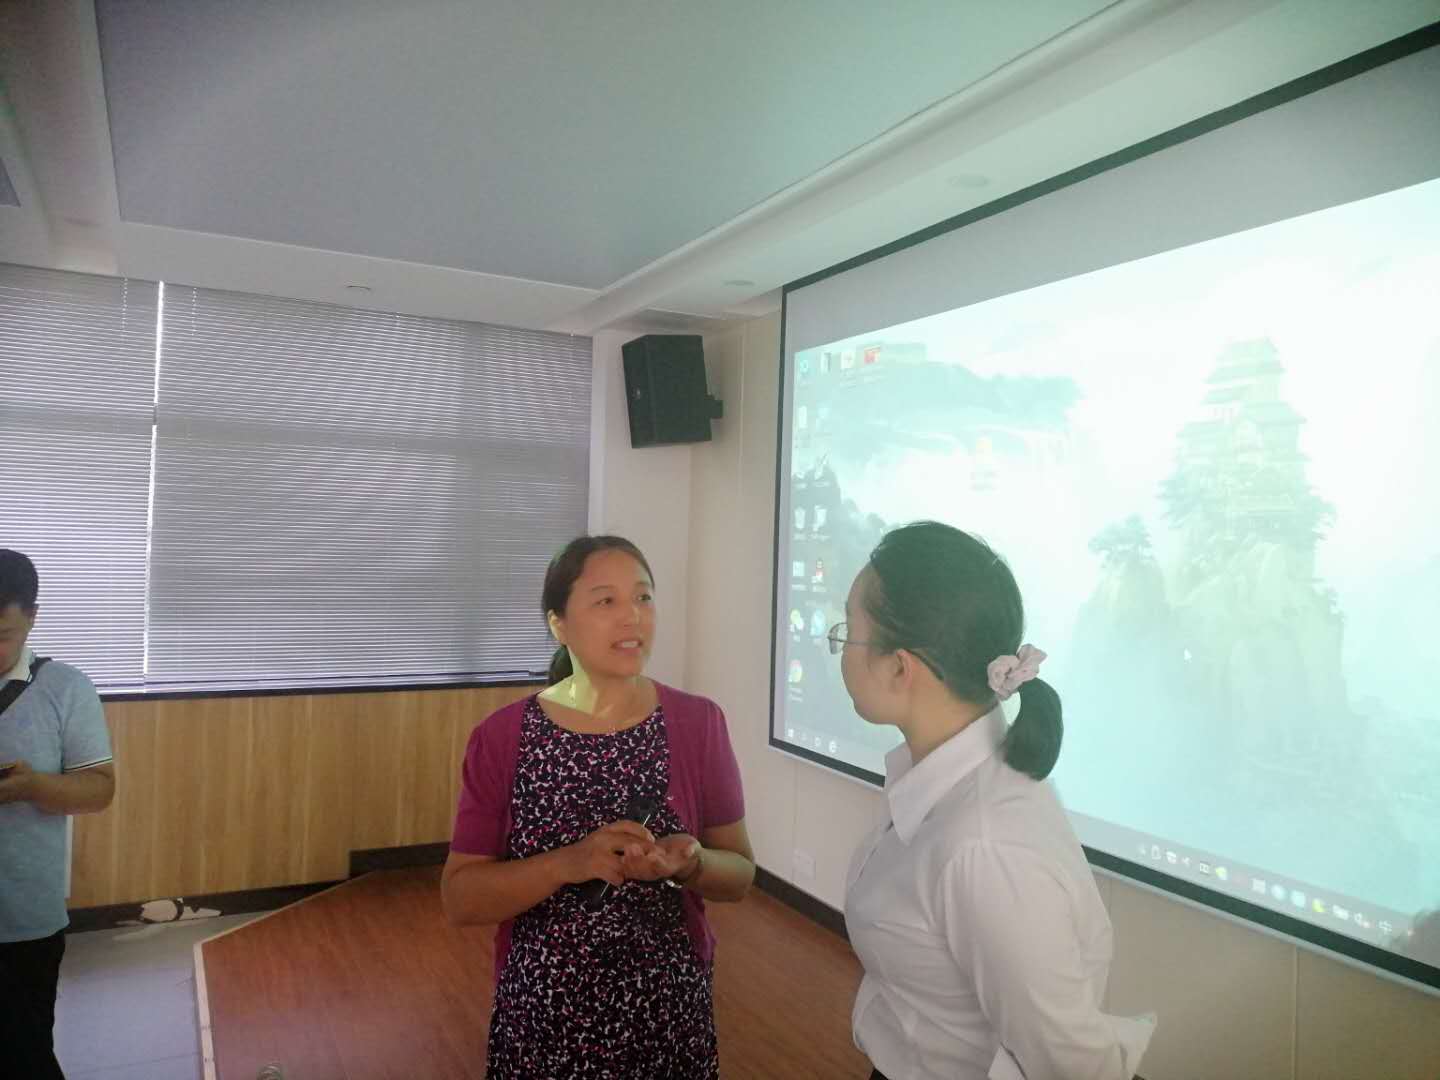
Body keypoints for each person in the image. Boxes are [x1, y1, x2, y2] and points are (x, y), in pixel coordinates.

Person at [834, 523, 1154, 1080]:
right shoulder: (943, 781)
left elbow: (1075, 1064)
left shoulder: (983, 846)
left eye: (849, 633)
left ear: (900, 666)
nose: (840, 650)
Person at [441, 535, 755, 1079]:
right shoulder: (503, 737)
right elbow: (460, 898)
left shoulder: (698, 723)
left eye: (644, 597)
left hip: (668, 1016)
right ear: (559, 624)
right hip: (543, 1017)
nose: (632, 616)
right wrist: (568, 863)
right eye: (606, 600)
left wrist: (689, 864)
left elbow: (741, 874)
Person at [0, 549, 117, 1080]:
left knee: (24, 1053)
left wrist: (31, 787)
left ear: (32, 618)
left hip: (25, 918)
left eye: (2, 635)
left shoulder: (66, 688)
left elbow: (99, 790)